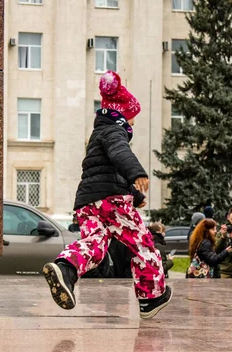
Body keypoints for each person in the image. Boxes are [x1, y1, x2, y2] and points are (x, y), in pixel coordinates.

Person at [42, 70, 172, 320]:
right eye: (132, 118)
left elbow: (106, 172)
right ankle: (151, 297)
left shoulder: (97, 134)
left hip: (86, 202)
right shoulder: (114, 131)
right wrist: (137, 173)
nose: (133, 123)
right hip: (111, 202)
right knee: (142, 244)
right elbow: (119, 152)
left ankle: (65, 270)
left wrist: (133, 193)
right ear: (122, 115)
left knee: (96, 244)